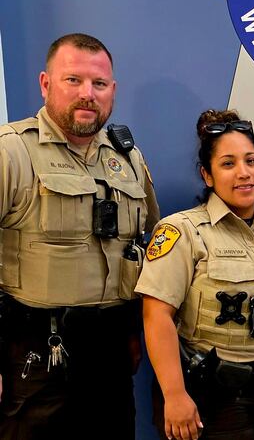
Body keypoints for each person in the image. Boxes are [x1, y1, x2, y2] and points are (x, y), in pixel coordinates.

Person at [0, 33, 159, 439]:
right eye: (73, 80)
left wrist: (132, 333)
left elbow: (144, 249)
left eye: (99, 84)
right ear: (45, 83)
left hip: (112, 355)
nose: (87, 94)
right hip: (36, 354)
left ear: (112, 91)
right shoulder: (12, 153)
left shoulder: (129, 159)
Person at [135, 109, 254, 440]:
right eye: (228, 163)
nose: (244, 173)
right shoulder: (184, 232)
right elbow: (156, 315)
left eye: (251, 161)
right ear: (207, 175)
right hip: (213, 397)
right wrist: (174, 396)